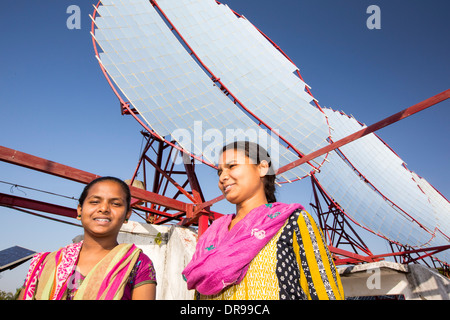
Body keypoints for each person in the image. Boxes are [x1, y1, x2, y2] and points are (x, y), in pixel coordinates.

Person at [182, 141, 344, 300]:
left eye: (232, 166)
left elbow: (325, 291)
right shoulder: (212, 234)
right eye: (219, 172)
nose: (223, 177)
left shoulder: (291, 221)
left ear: (262, 168)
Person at [19, 176, 157, 300]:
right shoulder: (45, 264)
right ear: (80, 210)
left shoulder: (138, 264)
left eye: (115, 204)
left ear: (127, 214)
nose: (104, 208)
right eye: (95, 201)